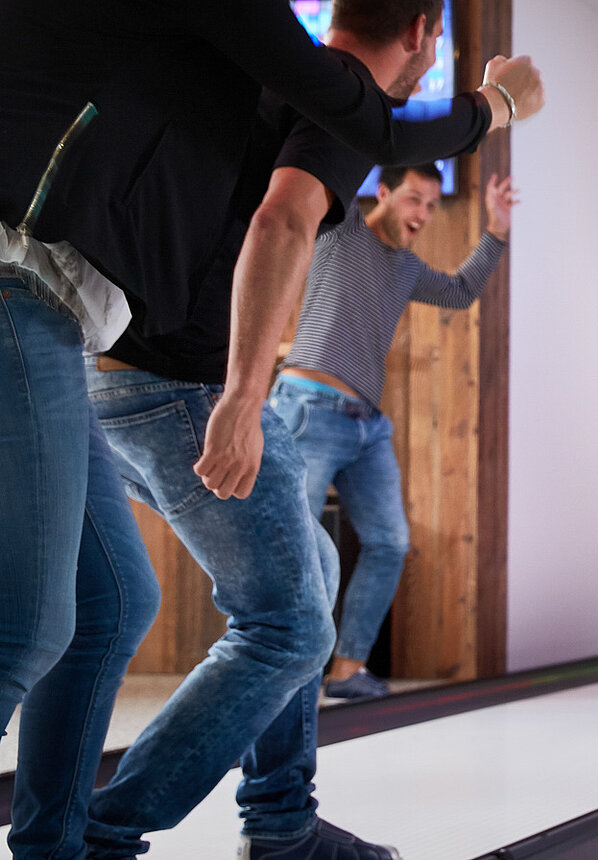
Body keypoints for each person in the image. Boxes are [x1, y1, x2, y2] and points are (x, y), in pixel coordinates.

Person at [0, 3, 542, 859]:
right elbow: (283, 219)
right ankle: (122, 831)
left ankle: (270, 822)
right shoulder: (341, 98)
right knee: (288, 623)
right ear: (421, 34)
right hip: (175, 380)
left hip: (100, 354)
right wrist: (247, 398)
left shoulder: (269, 80)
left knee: (153, 594)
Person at [272, 165, 516, 702]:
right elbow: (345, 159)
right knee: (290, 543)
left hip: (366, 426)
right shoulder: (341, 228)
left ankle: (347, 670)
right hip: (308, 409)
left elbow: (459, 292)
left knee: (389, 542)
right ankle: (282, 672)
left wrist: (497, 228)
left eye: (431, 205)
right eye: (413, 199)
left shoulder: (405, 268)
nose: (422, 214)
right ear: (381, 193)